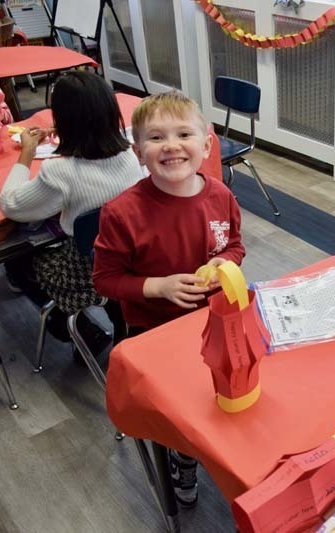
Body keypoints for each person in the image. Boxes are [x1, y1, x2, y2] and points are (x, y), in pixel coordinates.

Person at [92, 90, 245, 508]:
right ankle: (182, 456)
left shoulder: (220, 196)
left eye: (183, 134)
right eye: (156, 138)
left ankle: (211, 445)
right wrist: (158, 287)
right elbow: (105, 279)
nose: (172, 146)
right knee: (177, 409)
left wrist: (224, 263)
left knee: (217, 395)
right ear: (138, 152)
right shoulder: (121, 212)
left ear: (206, 145)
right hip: (155, 331)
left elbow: (235, 246)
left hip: (214, 321)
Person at [0, 71, 142, 355]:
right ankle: (114, 319)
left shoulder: (59, 172)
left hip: (88, 271)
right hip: (131, 258)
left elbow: (10, 204)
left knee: (17, 259)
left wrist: (27, 153)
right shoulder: (129, 154)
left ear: (64, 121)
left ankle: (77, 329)